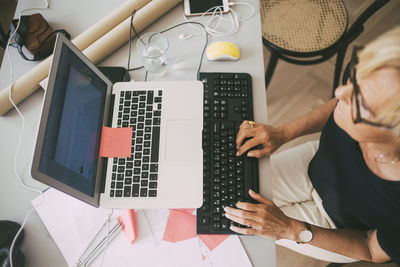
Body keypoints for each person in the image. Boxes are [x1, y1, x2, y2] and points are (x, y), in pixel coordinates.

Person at [224, 26, 400, 265]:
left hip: (339, 228)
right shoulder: (380, 74)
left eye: (361, 103)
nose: (340, 91)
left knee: (238, 235)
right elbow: (340, 103)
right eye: (354, 79)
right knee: (223, 199)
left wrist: (289, 229)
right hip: (316, 161)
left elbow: (370, 248)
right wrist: (285, 132)